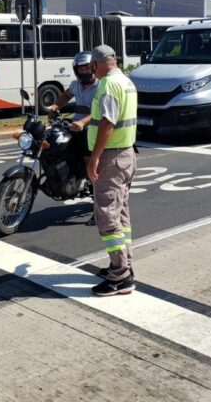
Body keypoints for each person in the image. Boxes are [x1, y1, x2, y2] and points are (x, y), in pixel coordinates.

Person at [86, 45, 138, 297]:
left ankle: (120, 276)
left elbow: (107, 122)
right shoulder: (126, 82)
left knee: (106, 215)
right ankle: (126, 264)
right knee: (121, 214)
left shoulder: (107, 86)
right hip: (126, 154)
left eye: (91, 66)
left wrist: (94, 158)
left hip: (111, 157)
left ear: (96, 64)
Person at [47, 51, 98, 169]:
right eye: (81, 69)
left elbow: (100, 111)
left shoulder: (100, 85)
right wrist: (55, 107)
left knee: (87, 159)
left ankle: (91, 181)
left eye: (87, 68)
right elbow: (66, 96)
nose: (85, 71)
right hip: (76, 128)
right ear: (76, 70)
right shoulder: (75, 85)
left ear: (93, 67)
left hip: (92, 129)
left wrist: (82, 122)